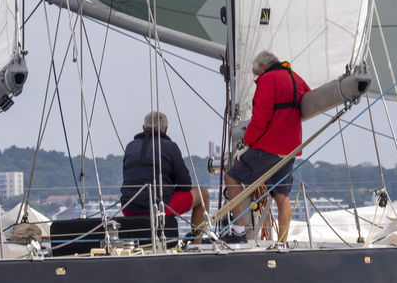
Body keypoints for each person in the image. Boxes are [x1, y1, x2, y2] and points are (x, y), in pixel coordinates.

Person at [222, 50, 310, 243]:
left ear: (262, 66)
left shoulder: (268, 79)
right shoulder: (296, 78)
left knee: (231, 177)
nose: (258, 78)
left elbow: (260, 118)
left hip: (269, 146)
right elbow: (308, 99)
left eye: (257, 73)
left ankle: (238, 233)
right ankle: (282, 243)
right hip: (290, 149)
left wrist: (246, 142)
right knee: (281, 196)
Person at [119, 112, 209, 229]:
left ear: (143, 128)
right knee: (203, 194)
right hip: (159, 207)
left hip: (128, 207)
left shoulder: (130, 146)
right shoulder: (170, 146)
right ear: (165, 130)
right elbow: (186, 185)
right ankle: (197, 240)